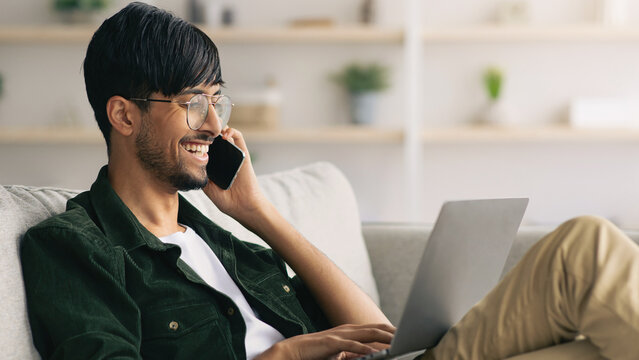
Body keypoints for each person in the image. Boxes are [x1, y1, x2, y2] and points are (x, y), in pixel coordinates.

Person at [20, 2, 639, 360]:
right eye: (190, 102)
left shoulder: (219, 238)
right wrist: (284, 355)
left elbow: (376, 331)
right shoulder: (74, 246)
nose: (212, 123)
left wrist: (258, 213)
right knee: (583, 256)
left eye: (218, 101)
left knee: (584, 311)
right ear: (123, 114)